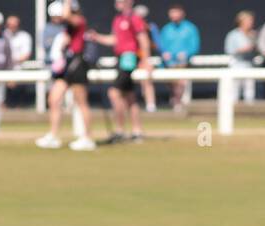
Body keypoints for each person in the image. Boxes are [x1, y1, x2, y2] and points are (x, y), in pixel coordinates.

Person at [36, 0, 95, 151]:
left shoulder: (79, 21)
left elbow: (67, 15)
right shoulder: (67, 28)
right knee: (54, 98)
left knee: (81, 101)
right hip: (67, 65)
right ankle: (53, 135)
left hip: (78, 63)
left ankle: (87, 138)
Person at [89, 0, 151, 140]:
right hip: (120, 58)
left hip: (129, 59)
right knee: (129, 96)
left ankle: (120, 130)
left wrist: (146, 61)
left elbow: (143, 39)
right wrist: (97, 37)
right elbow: (115, 40)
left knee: (114, 93)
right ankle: (137, 131)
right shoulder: (118, 19)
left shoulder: (134, 18)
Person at [158, 4, 199, 110]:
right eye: (172, 12)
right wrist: (164, 54)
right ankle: (175, 101)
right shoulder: (166, 29)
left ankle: (178, 102)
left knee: (180, 82)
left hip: (184, 63)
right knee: (172, 83)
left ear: (182, 13)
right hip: (168, 64)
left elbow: (195, 46)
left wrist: (186, 54)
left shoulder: (190, 28)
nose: (174, 15)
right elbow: (161, 46)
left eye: (176, 12)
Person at [223, 10, 258, 104]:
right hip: (237, 65)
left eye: (251, 20)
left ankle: (250, 112)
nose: (250, 23)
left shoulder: (253, 34)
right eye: (248, 20)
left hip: (249, 64)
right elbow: (229, 50)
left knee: (249, 89)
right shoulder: (233, 35)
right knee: (234, 89)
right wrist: (242, 49)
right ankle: (233, 110)